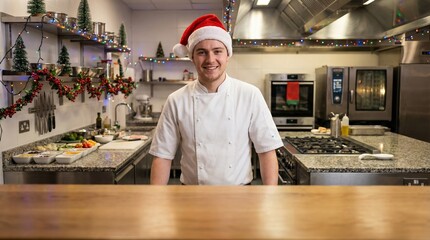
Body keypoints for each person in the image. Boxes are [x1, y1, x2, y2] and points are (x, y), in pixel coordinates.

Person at [149, 14, 283, 185]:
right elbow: (162, 155)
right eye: (202, 52)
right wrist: (156, 201)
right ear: (192, 57)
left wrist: (270, 200)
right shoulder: (176, 100)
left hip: (239, 197)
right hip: (192, 196)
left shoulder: (249, 95)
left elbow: (266, 151)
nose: (210, 60)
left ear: (227, 55)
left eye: (217, 51)